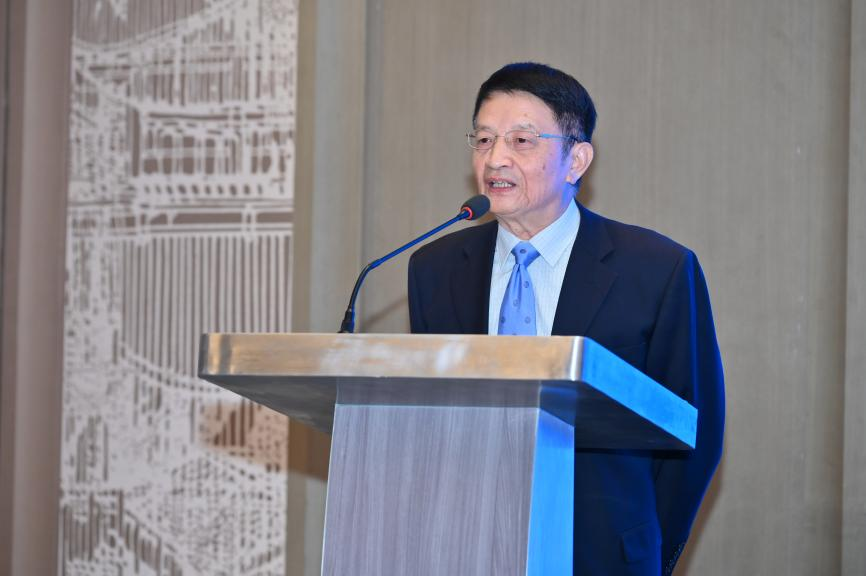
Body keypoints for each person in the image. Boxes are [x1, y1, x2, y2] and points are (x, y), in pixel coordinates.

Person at [407, 62, 724, 575]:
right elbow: (426, 423)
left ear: (576, 159)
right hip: (465, 549)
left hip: (603, 555)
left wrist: (641, 545)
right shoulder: (435, 269)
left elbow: (693, 431)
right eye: (483, 140)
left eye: (521, 141)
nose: (495, 158)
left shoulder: (656, 269)